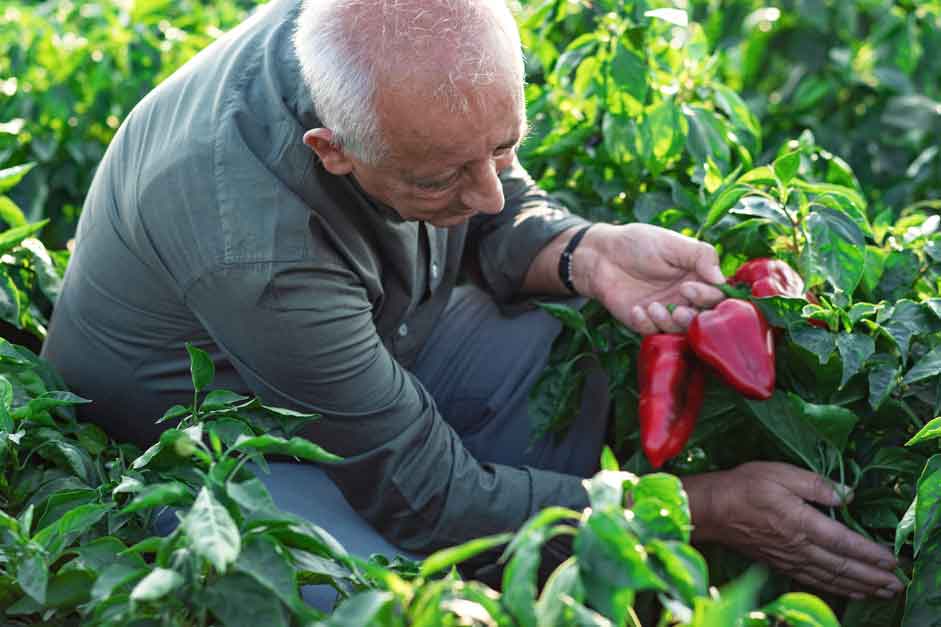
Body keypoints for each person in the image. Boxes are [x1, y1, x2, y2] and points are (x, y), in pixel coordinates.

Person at [41, 0, 901, 609]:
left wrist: (582, 249)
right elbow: (424, 494)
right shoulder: (257, 247)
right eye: (444, 176)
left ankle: (548, 560)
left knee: (556, 361)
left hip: (369, 336)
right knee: (360, 595)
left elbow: (488, 183)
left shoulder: (389, 44)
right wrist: (703, 507)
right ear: (331, 152)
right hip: (218, 423)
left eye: (504, 146)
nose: (489, 194)